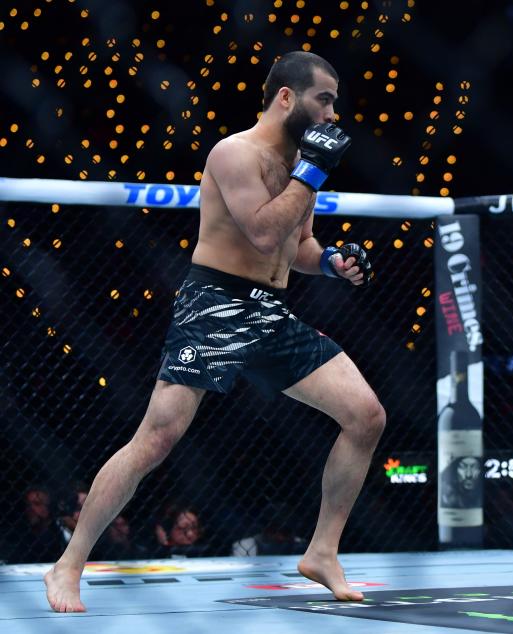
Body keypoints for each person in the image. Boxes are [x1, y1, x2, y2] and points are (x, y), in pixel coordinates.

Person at [45, 51, 386, 612]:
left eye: (334, 103)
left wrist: (332, 263)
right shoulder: (234, 153)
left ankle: (322, 551)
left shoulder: (303, 160)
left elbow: (295, 245)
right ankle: (69, 563)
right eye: (323, 99)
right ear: (286, 97)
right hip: (214, 303)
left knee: (366, 415)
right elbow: (258, 231)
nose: (331, 114)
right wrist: (313, 174)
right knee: (156, 438)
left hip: (269, 309)